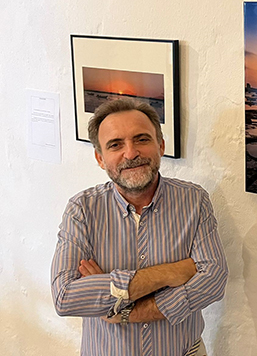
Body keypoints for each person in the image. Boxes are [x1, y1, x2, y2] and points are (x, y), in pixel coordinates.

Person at [51, 98, 228, 356]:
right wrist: (169, 273)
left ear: (161, 145)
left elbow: (213, 280)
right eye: (115, 145)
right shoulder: (82, 210)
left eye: (142, 139)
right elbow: (65, 297)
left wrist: (123, 311)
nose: (131, 153)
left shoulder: (194, 201)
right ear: (100, 158)